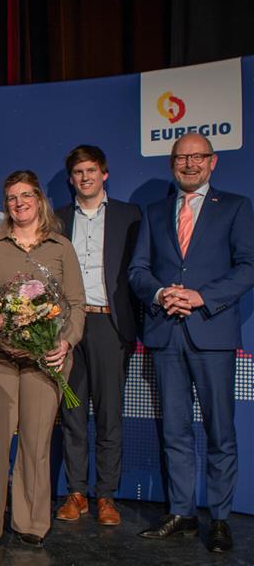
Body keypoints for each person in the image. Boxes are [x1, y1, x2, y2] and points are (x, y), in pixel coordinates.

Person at [129, 133, 254, 553]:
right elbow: (138, 270)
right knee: (176, 432)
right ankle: (181, 512)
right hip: (166, 334)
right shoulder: (154, 211)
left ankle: (219, 519)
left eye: (197, 157)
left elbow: (248, 266)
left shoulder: (235, 207)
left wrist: (202, 297)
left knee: (220, 433)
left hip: (211, 333)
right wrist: (162, 293)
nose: (189, 164)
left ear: (212, 162)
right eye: (182, 157)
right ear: (172, 163)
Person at [0, 170, 85, 547]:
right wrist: (1, 322)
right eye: (12, 197)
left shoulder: (60, 246)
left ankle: (31, 522)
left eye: (26, 196)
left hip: (45, 360)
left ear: (39, 200)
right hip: (0, 359)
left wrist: (64, 342)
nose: (19, 203)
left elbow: (76, 304)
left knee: (35, 444)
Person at [53, 145, 141, 527]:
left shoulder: (129, 216)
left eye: (91, 170)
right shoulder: (56, 220)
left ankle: (106, 495)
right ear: (71, 178)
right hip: (69, 326)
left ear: (104, 174)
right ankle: (76, 492)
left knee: (108, 416)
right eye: (78, 172)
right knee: (72, 413)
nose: (85, 177)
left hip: (109, 325)